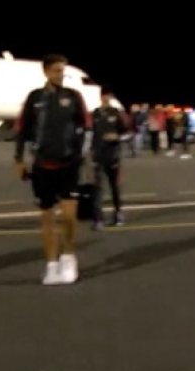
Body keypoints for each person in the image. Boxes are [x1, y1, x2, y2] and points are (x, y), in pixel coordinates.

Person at [13, 54, 90, 285]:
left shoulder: (74, 97)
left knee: (68, 217)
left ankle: (68, 257)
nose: (60, 75)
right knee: (46, 217)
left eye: (62, 71)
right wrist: (19, 159)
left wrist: (80, 156)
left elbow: (86, 128)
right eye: (56, 71)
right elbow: (22, 130)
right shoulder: (34, 98)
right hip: (41, 166)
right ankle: (51, 265)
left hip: (68, 165)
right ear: (46, 72)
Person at [91, 86, 128, 228]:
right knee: (98, 188)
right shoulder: (95, 113)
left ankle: (118, 213)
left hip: (113, 155)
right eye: (103, 95)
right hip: (98, 155)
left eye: (107, 95)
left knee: (115, 187)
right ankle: (98, 219)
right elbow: (91, 133)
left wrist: (117, 137)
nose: (105, 98)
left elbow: (127, 133)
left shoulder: (116, 113)